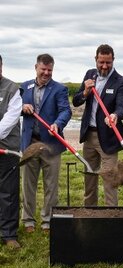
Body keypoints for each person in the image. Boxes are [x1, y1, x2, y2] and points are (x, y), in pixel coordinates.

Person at [73, 44, 123, 206]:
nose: (104, 66)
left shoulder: (121, 82)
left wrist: (115, 115)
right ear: (96, 60)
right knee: (89, 177)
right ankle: (90, 213)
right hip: (89, 136)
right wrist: (85, 92)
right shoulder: (89, 75)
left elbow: (121, 107)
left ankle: (111, 216)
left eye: (108, 62)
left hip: (108, 137)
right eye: (101, 62)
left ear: (113, 60)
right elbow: (76, 101)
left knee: (110, 180)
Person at [21, 54, 72, 232]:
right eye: (43, 69)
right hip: (30, 143)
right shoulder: (24, 87)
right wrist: (22, 107)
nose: (46, 73)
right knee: (28, 184)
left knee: (51, 185)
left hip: (51, 144)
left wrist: (57, 124)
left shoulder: (60, 89)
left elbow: (66, 111)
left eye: (49, 70)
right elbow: (14, 108)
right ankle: (28, 220)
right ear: (36, 67)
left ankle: (47, 221)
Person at [0, 55, 22, 248]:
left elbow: (11, 118)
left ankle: (9, 234)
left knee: (8, 192)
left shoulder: (12, 89)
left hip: (7, 149)